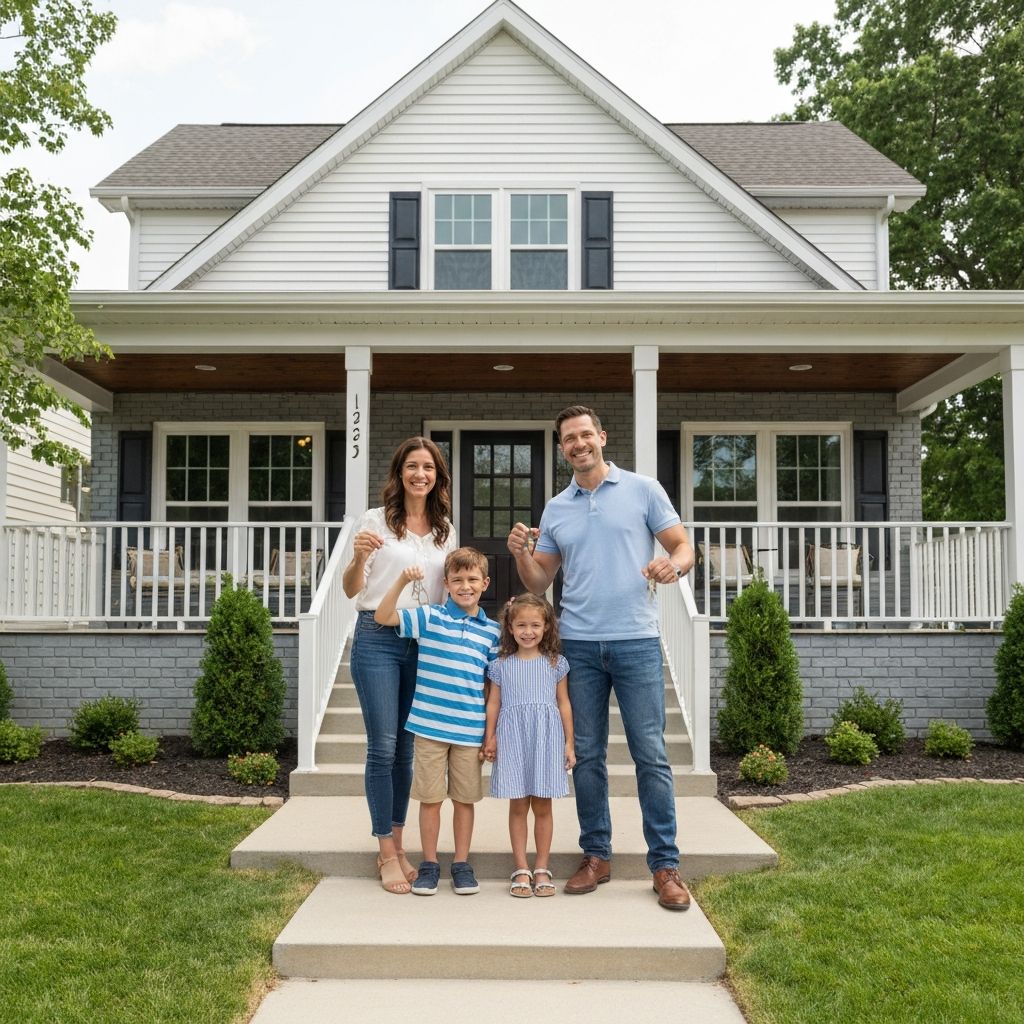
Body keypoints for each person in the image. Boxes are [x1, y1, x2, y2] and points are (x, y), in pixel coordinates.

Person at [506, 405, 695, 911]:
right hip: (580, 646)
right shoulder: (556, 509)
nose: (578, 444)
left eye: (585, 434)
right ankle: (596, 855)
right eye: (569, 438)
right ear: (562, 447)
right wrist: (522, 553)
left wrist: (673, 566)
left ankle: (665, 866)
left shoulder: (643, 490)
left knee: (650, 755)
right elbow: (539, 581)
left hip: (635, 640)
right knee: (586, 756)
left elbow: (683, 546)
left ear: (602, 437)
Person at [342, 436, 456, 895]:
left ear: (438, 476)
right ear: (399, 472)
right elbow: (352, 589)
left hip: (423, 640)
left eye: (428, 467)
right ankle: (385, 850)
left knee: (407, 750)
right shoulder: (375, 522)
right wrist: (359, 556)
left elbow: (450, 592)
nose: (420, 474)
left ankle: (400, 844)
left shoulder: (445, 529)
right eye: (412, 466)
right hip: (377, 637)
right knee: (383, 746)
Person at [375, 547, 500, 896]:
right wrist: (402, 580)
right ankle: (429, 863)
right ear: (445, 583)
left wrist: (491, 735)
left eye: (472, 579)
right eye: (457, 580)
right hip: (429, 728)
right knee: (430, 799)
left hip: (469, 730)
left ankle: (461, 863)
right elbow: (383, 616)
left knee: (464, 800)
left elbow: (494, 687)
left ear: (485, 583)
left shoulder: (491, 632)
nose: (465, 586)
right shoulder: (430, 617)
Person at [482, 593, 575, 898]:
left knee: (543, 806)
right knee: (518, 805)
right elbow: (493, 702)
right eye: (521, 624)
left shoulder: (556, 663)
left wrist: (569, 742)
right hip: (513, 738)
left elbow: (564, 704)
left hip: (547, 737)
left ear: (547, 627)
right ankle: (521, 867)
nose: (528, 631)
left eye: (535, 624)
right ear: (509, 627)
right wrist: (490, 736)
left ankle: (542, 867)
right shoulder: (500, 665)